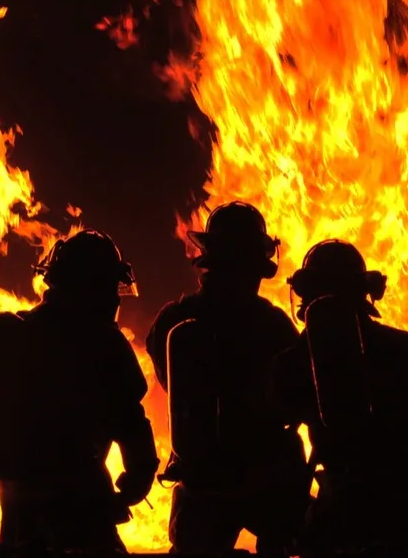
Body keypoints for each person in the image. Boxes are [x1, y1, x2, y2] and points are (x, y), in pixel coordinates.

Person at [0, 230, 159, 553]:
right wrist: (136, 479)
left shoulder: (8, 335)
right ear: (98, 289)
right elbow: (132, 425)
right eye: (110, 288)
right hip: (83, 506)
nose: (116, 299)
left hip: (19, 502)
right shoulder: (106, 346)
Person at [269, 239, 408, 552]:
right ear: (364, 294)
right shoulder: (405, 347)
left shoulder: (294, 362)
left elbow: (275, 418)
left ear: (304, 297)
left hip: (350, 515)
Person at [146, 202, 311, 554]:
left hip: (202, 479)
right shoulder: (275, 324)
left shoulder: (174, 319)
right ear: (257, 265)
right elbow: (301, 395)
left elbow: (170, 385)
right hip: (270, 475)